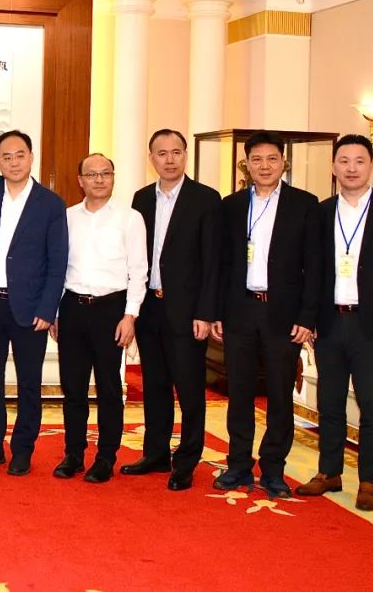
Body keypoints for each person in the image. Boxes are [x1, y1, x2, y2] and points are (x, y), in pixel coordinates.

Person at [295, 134, 373, 511]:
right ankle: (329, 472)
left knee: (372, 406)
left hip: (371, 325)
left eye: (359, 161)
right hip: (329, 322)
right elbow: (311, 270)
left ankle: (368, 481)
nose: (351, 168)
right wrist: (308, 318)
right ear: (333, 167)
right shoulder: (320, 212)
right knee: (329, 403)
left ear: (370, 166)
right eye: (343, 161)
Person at [212, 130, 321, 498]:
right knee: (240, 392)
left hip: (283, 314)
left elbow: (315, 267)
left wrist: (307, 317)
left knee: (279, 394)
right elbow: (222, 264)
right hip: (240, 310)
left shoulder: (305, 205)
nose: (264, 166)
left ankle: (274, 468)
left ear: (283, 162)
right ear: (246, 164)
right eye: (256, 159)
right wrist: (217, 311)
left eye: (272, 159)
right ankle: (238, 465)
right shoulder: (230, 206)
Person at [0, 130, 68, 477]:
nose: (14, 162)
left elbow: (57, 261)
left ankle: (22, 450)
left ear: (31, 157)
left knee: (28, 383)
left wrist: (48, 308)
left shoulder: (50, 203)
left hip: (31, 307)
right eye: (6, 157)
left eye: (20, 155)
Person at [123, 129, 220, 491]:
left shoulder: (205, 199)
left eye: (176, 152)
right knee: (155, 385)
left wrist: (206, 313)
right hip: (151, 306)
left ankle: (187, 461)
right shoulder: (141, 198)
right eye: (161, 153)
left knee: (190, 389)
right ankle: (155, 453)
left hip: (188, 311)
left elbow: (213, 262)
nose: (169, 159)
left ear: (185, 156)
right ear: (152, 159)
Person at [51, 153, 147, 483]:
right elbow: (57, 268)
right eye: (92, 174)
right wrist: (54, 311)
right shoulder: (66, 218)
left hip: (111, 309)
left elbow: (139, 271)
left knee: (109, 388)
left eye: (106, 173)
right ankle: (73, 454)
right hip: (72, 307)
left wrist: (130, 315)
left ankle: (106, 457)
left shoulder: (130, 219)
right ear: (80, 180)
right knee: (73, 387)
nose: (99, 179)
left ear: (113, 177)